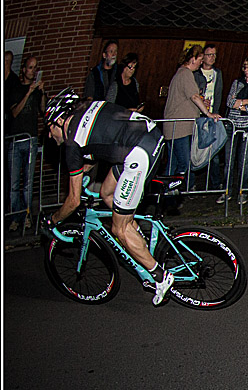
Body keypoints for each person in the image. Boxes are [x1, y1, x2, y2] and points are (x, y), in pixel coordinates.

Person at [43, 88, 174, 305]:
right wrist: (83, 172)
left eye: (49, 129)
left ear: (59, 121)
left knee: (118, 229)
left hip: (138, 153)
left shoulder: (70, 144)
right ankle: (134, 233)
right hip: (150, 136)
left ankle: (161, 277)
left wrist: (52, 220)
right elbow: (100, 142)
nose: (49, 135)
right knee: (106, 192)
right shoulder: (89, 107)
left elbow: (73, 201)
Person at [163, 44, 221, 178]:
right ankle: (172, 191)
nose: (201, 63)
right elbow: (194, 96)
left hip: (174, 127)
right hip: (179, 129)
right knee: (183, 163)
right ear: (193, 59)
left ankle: (166, 194)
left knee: (173, 164)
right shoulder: (186, 74)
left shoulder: (180, 73)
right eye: (200, 60)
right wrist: (208, 113)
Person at [217, 55, 248, 204]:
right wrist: (243, 103)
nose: (246, 70)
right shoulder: (237, 83)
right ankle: (226, 191)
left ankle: (242, 192)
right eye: (245, 66)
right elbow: (229, 102)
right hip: (232, 124)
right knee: (228, 160)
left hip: (247, 126)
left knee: (243, 161)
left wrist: (238, 103)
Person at [6, 55, 46, 231]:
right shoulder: (15, 88)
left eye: (35, 68)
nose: (33, 71)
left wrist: (42, 92)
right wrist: (28, 92)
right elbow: (14, 112)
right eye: (30, 68)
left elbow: (43, 110)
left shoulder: (36, 90)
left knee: (27, 184)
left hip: (30, 139)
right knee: (14, 183)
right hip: (15, 140)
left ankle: (28, 216)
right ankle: (15, 217)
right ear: (23, 70)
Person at [194, 44, 223, 116]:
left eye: (214, 55)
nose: (212, 57)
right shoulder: (196, 73)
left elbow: (218, 94)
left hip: (212, 111)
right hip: (197, 111)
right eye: (210, 55)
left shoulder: (217, 73)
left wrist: (215, 112)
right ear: (203, 57)